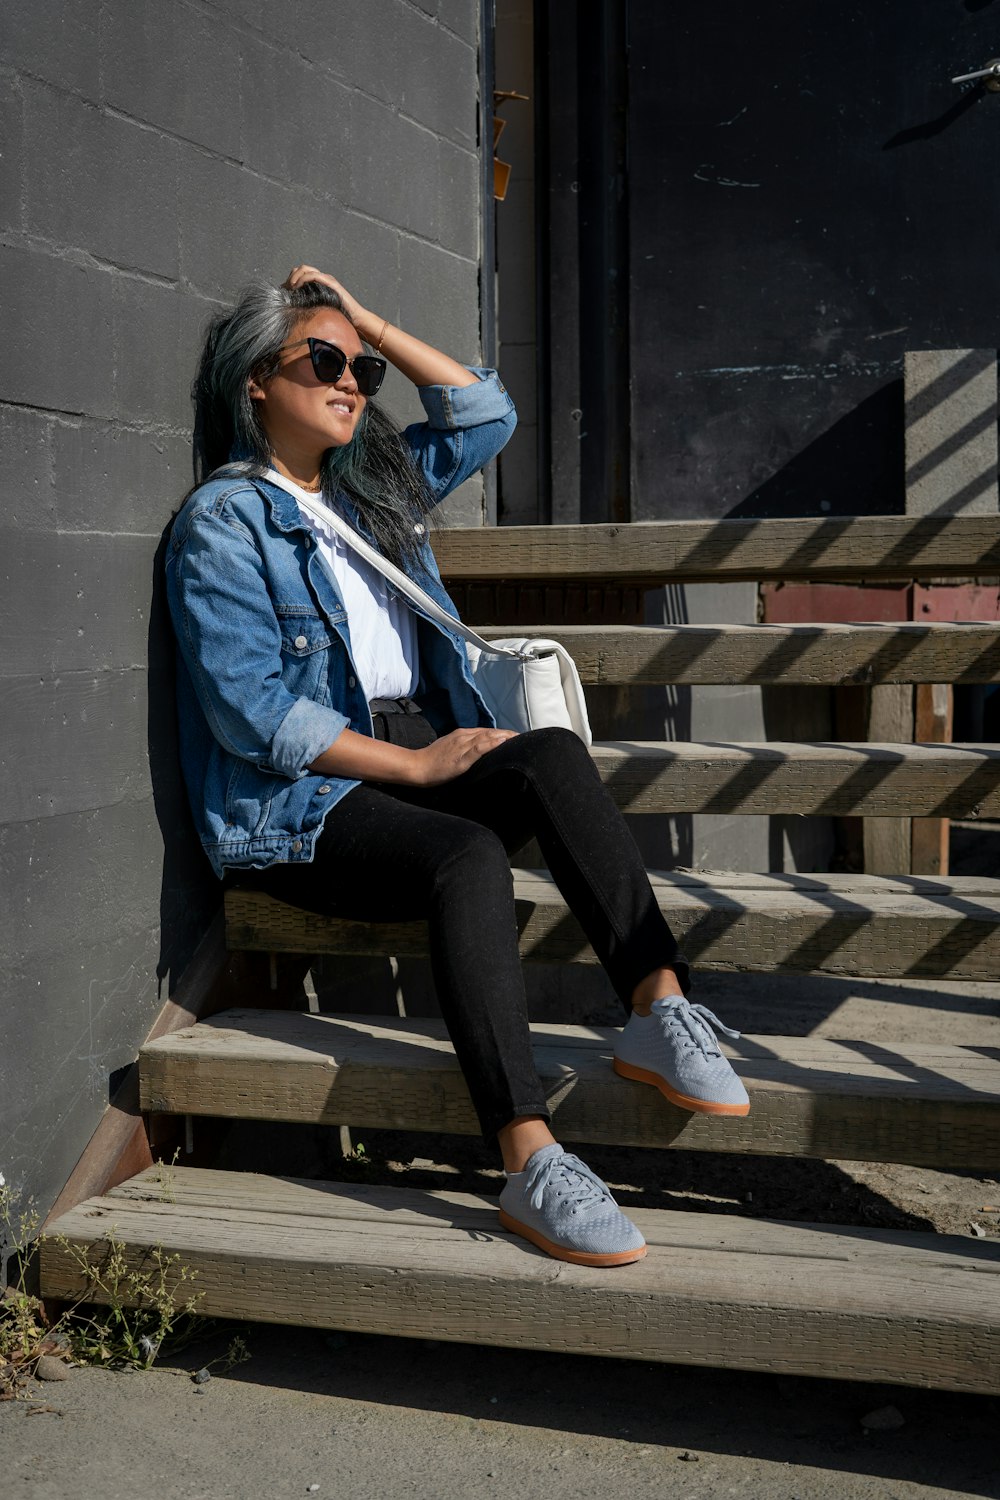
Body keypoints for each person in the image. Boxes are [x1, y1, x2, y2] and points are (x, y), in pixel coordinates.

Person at [166, 264, 749, 1270]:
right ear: (256, 378)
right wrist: (417, 767)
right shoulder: (225, 523)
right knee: (467, 856)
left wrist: (367, 319)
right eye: (323, 361)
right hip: (304, 798)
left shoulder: (373, 489)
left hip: (414, 748)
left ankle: (657, 1005)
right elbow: (251, 714)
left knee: (552, 757)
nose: (350, 380)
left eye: (360, 369)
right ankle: (529, 1159)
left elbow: (484, 415)